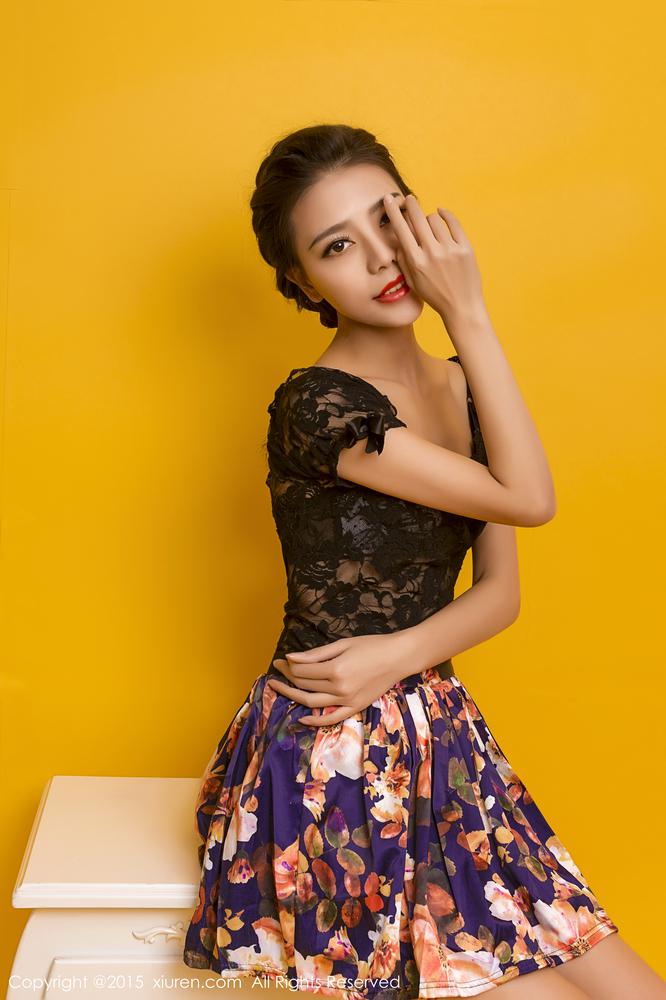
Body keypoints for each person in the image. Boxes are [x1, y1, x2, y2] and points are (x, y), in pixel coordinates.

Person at [182, 124, 665, 999]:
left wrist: (396, 657)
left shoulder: (463, 387)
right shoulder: (319, 407)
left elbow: (501, 593)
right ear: (303, 282)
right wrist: (468, 310)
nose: (381, 258)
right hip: (331, 754)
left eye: (387, 219)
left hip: (440, 737)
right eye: (337, 247)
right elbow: (531, 498)